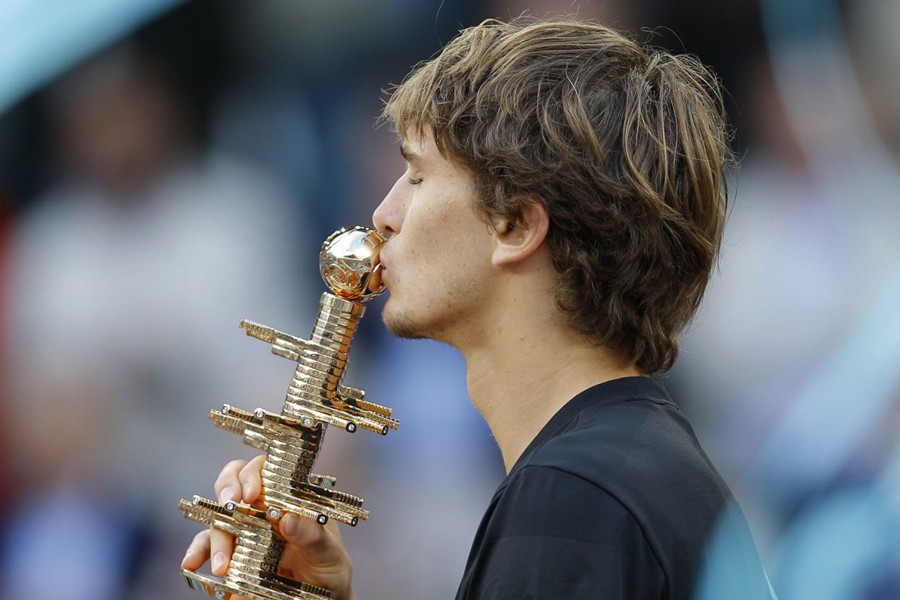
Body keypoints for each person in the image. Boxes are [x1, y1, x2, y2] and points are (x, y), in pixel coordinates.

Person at [182, 18, 776, 599]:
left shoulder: (572, 496)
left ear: (515, 225)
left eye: (416, 175)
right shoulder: (634, 470)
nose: (384, 215)